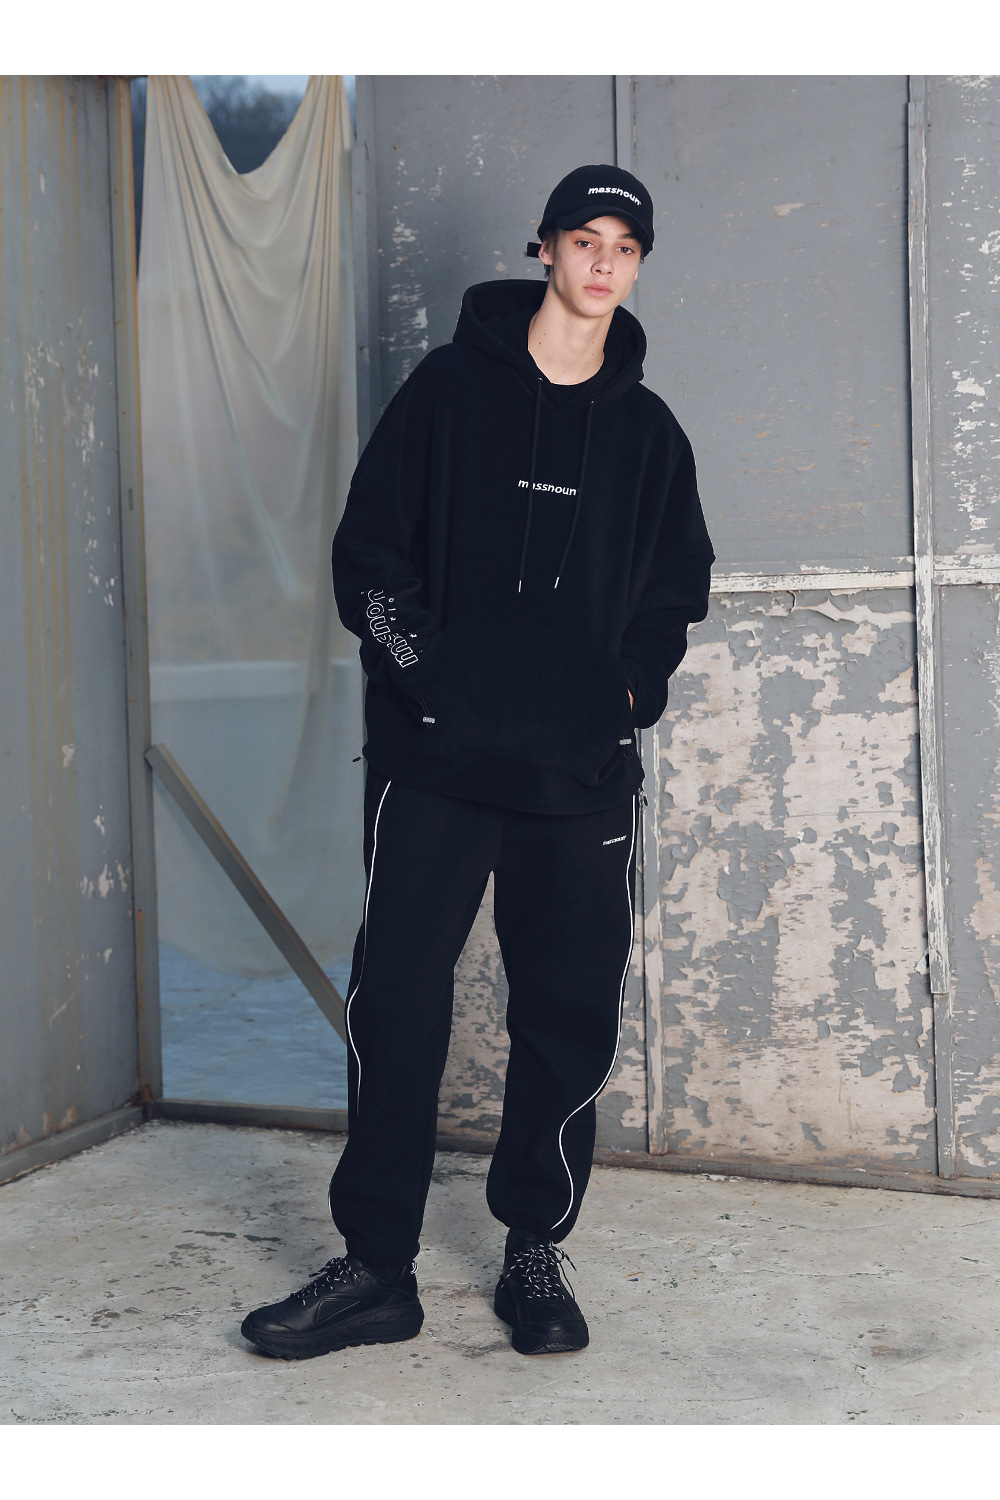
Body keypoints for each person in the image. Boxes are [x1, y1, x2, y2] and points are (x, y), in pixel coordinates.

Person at [241, 164, 714, 1360]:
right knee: (397, 1005)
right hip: (435, 764)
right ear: (542, 248)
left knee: (567, 1012)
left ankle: (533, 1249)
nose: (601, 262)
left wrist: (625, 694)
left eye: (623, 246)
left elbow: (676, 590)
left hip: (576, 777)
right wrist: (427, 681)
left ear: (637, 266)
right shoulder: (446, 393)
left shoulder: (650, 434)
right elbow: (369, 555)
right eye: (582, 239)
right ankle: (375, 1269)